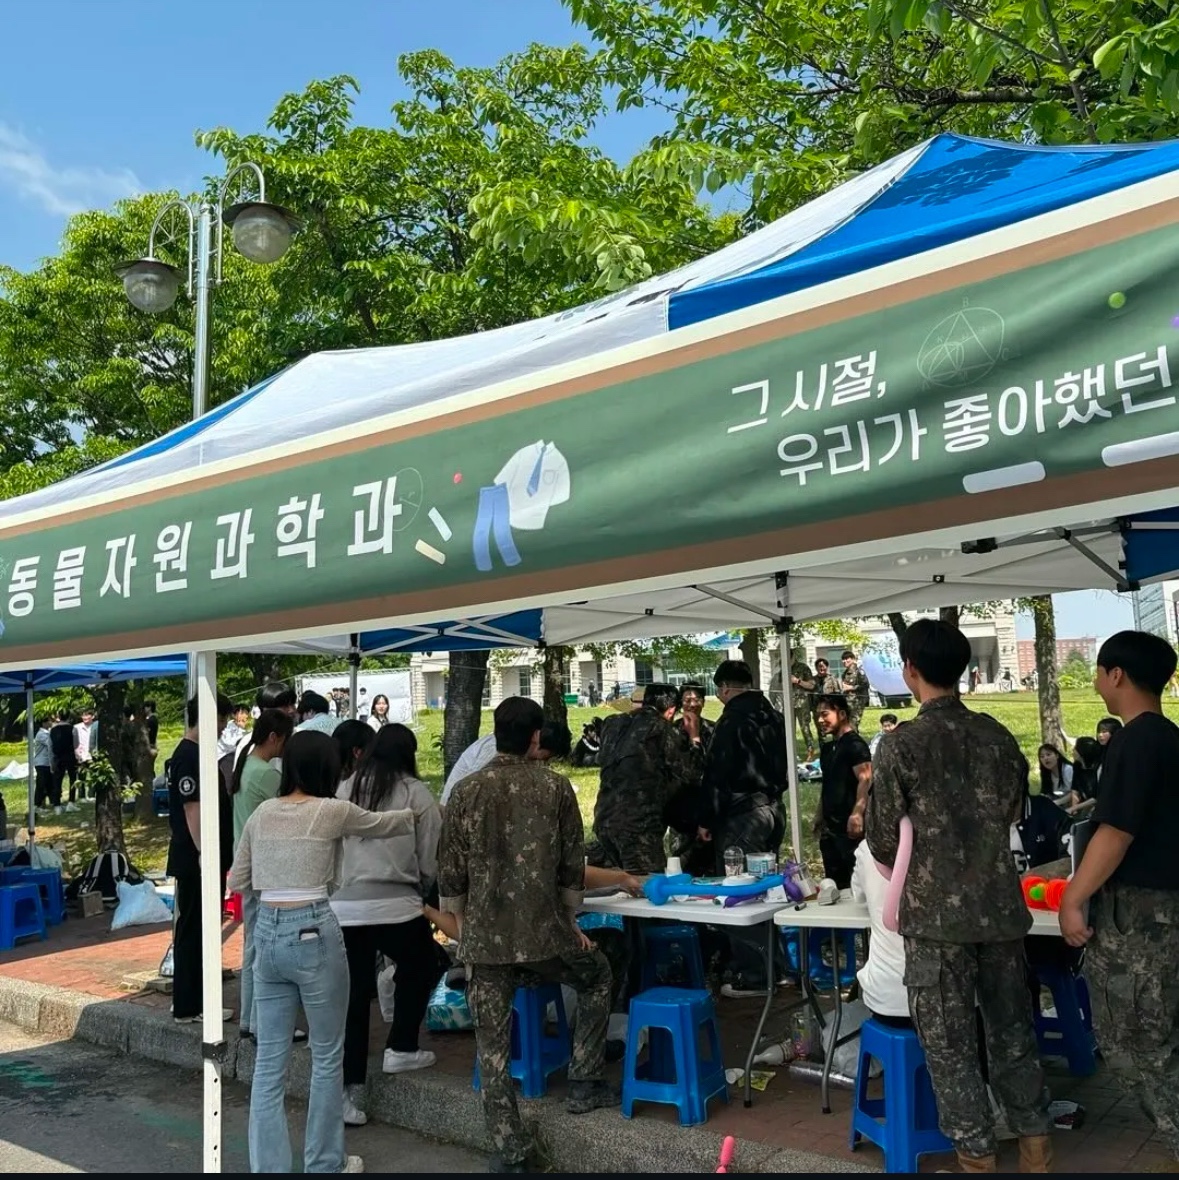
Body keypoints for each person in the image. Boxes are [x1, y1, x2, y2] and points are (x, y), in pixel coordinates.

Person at [865, 618, 1050, 1174]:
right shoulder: (998, 736)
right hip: (999, 910)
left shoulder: (901, 745)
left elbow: (878, 836)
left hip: (936, 921)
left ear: (911, 672)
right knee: (1013, 1034)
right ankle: (1036, 1154)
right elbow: (1017, 810)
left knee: (950, 1050)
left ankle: (976, 1157)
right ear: (965, 669)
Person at [438, 697, 617, 1173]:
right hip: (546, 938)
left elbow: (450, 873)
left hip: (485, 941)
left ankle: (512, 1152)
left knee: (492, 1047)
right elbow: (571, 868)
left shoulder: (466, 792)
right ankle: (584, 1081)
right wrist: (571, 919)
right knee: (597, 975)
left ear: (496, 733)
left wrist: (461, 924)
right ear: (536, 737)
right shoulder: (555, 788)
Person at [228, 730, 416, 1175]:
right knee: (327, 1054)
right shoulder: (331, 811)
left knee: (269, 1063)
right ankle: (325, 1163)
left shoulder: (261, 814)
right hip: (314, 928)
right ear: (328, 769)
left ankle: (269, 1168)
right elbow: (384, 824)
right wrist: (421, 811)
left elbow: (238, 879)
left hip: (268, 933)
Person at [1060, 630, 1179, 1169]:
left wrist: (1072, 898)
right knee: (1158, 1034)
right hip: (1162, 906)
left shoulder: (1136, 740)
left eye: (1099, 671)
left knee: (1136, 1042)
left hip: (1143, 914)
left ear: (1115, 676)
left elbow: (1116, 832)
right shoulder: (1168, 737)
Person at [335, 723, 444, 1128]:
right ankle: (401, 1045)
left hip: (344, 906)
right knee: (424, 965)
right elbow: (429, 857)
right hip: (397, 904)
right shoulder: (416, 793)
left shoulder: (345, 788)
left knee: (353, 996)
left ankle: (349, 1092)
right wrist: (424, 890)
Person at [167, 692, 236, 1025]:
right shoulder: (188, 756)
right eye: (221, 720)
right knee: (196, 928)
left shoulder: (198, 754)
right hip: (195, 858)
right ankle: (190, 1004)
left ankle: (193, 999)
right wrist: (205, 854)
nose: (223, 727)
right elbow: (192, 809)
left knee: (199, 926)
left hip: (202, 856)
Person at [230, 709, 295, 1044]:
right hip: (263, 868)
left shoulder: (247, 764)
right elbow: (290, 811)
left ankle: (249, 1018)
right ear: (274, 737)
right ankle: (259, 1021)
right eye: (286, 738)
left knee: (252, 944)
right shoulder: (265, 774)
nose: (286, 745)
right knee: (263, 947)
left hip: (247, 864)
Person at [589, 683, 702, 874]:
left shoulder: (611, 723)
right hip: (638, 826)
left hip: (604, 818)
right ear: (671, 710)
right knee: (646, 887)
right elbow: (691, 772)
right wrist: (694, 738)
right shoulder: (661, 729)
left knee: (618, 887)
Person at [699, 660, 787, 870]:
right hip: (775, 809)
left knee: (741, 886)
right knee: (767, 883)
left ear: (725, 687)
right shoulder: (776, 717)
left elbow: (717, 774)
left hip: (744, 816)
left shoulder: (731, 721)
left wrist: (707, 818)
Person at [440, 719, 571, 805]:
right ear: (536, 741)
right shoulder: (495, 748)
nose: (544, 761)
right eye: (547, 757)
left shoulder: (521, 751)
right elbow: (478, 790)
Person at [814, 694, 872, 889]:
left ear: (842, 714)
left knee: (856, 885)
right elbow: (827, 783)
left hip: (849, 830)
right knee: (835, 885)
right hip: (830, 830)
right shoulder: (828, 748)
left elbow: (866, 779)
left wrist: (857, 813)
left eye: (825, 714)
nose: (820, 720)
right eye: (818, 716)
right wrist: (819, 815)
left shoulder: (855, 745)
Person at [788, 650, 817, 755]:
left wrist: (798, 681)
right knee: (789, 730)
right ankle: (792, 754)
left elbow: (812, 685)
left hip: (801, 703)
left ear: (793, 657)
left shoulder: (803, 668)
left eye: (788, 657)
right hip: (788, 704)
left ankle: (810, 751)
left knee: (805, 728)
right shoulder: (784, 669)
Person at [49, 711, 79, 812]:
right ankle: (71, 802)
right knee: (73, 780)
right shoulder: (73, 729)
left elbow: (50, 746)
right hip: (70, 756)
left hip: (58, 757)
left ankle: (57, 805)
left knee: (57, 781)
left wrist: (52, 760)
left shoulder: (52, 730)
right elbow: (76, 744)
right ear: (69, 717)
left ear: (59, 717)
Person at [840, 651, 871, 731]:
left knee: (853, 725)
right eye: (843, 659)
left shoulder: (859, 671)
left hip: (857, 702)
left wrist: (851, 687)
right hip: (848, 702)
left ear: (853, 659)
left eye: (847, 659)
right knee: (848, 725)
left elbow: (865, 685)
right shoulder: (845, 673)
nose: (844, 661)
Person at [33, 715, 54, 815]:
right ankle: (36, 805)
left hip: (47, 763)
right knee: (41, 784)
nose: (51, 722)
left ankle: (52, 802)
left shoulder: (47, 732)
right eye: (49, 720)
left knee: (49, 784)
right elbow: (51, 744)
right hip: (41, 763)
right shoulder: (41, 734)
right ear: (44, 723)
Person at [74, 708, 97, 799]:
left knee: (93, 775)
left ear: (92, 716)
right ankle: (81, 796)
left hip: (92, 755)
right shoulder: (77, 727)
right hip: (80, 755)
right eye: (83, 715)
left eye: (87, 715)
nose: (85, 717)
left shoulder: (95, 726)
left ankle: (91, 794)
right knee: (81, 776)